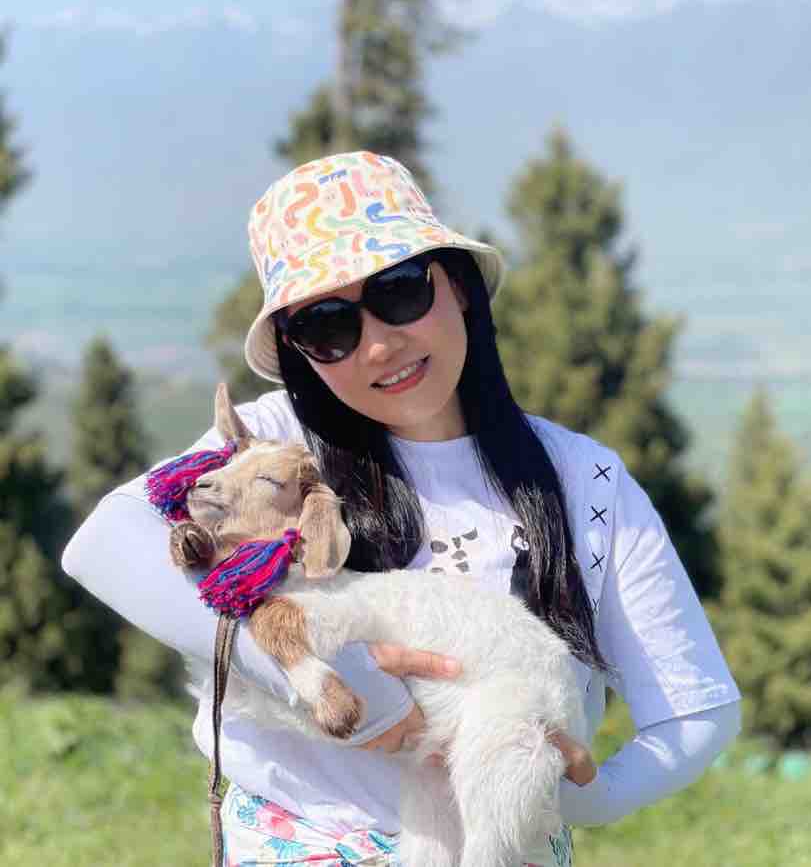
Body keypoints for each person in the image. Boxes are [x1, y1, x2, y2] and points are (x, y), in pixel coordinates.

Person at [62, 150, 742, 867]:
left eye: (401, 289)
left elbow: (696, 707)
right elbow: (104, 544)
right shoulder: (273, 447)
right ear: (298, 351)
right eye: (328, 325)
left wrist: (569, 795)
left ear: (459, 287)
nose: (380, 344)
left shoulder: (582, 480)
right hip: (297, 842)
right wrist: (336, 683)